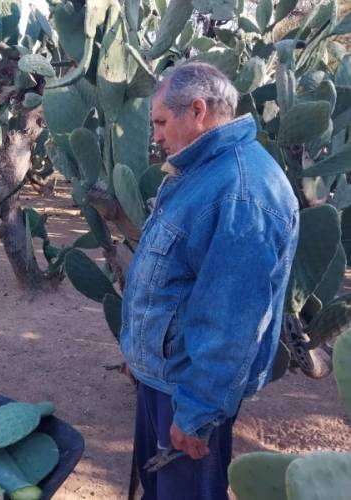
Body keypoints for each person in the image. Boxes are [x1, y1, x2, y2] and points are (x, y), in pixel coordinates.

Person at [120, 63, 299, 499]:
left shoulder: (241, 192)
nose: (157, 137)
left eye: (161, 123)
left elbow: (230, 321)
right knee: (157, 487)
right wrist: (138, 353)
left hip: (188, 389)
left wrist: (197, 412)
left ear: (197, 110)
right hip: (164, 375)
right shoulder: (204, 170)